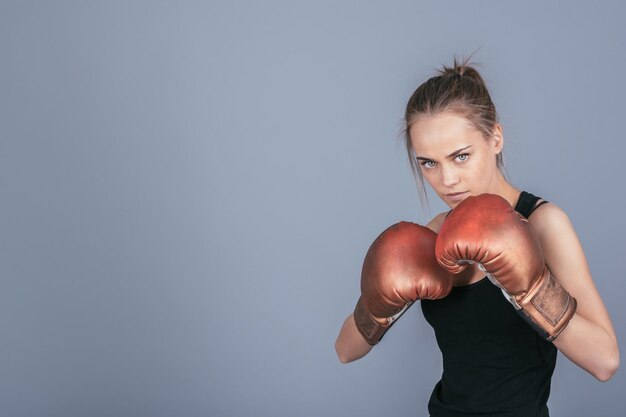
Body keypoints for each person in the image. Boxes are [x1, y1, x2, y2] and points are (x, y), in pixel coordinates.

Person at [334, 55, 619, 417]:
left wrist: (529, 292)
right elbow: (345, 350)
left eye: (461, 156)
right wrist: (377, 307)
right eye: (429, 163)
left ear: (495, 138)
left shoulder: (544, 224)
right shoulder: (433, 234)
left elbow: (605, 361)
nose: (447, 180)